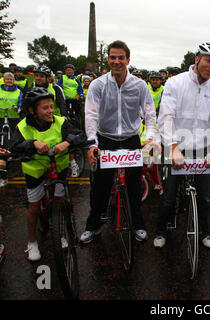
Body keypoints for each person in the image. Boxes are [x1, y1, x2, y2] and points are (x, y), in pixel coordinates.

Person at [81, 40, 157, 244]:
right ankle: (93, 225)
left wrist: (149, 138)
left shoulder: (140, 85)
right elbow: (90, 115)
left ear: (128, 60)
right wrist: (92, 143)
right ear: (108, 60)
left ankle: (138, 224)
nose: (116, 61)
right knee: (100, 188)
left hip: (131, 139)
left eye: (120, 58)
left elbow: (150, 115)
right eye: (112, 57)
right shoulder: (98, 85)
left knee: (134, 186)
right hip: (106, 138)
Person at [154, 42, 210, 249]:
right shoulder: (175, 83)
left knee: (204, 198)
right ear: (197, 59)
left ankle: (204, 232)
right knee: (168, 196)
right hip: (176, 147)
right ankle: (161, 231)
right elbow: (166, 117)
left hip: (204, 149)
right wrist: (173, 148)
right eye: (208, 60)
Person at [9, 87, 86, 261]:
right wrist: (33, 143)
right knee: (34, 207)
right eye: (45, 108)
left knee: (58, 202)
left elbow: (80, 135)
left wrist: (66, 143)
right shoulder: (22, 127)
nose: (50, 111)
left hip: (58, 168)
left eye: (51, 107)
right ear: (32, 110)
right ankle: (32, 242)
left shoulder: (60, 122)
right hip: (34, 170)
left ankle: (59, 234)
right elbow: (13, 147)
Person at [0, 72, 23, 187]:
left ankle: (13, 150)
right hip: (1, 114)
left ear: (13, 81)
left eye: (11, 79)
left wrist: (19, 107)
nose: (9, 81)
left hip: (13, 115)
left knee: (14, 134)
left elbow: (20, 100)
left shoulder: (18, 91)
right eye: (7, 79)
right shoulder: (0, 89)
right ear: (4, 80)